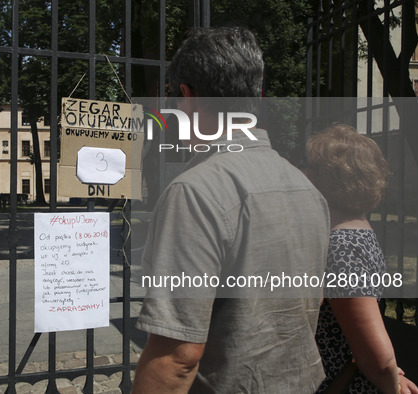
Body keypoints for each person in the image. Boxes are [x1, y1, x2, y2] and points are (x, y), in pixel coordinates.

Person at [132, 27, 330, 393]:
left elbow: (178, 356)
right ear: (258, 95)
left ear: (186, 98)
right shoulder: (308, 189)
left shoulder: (194, 191)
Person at [304, 124, 418, 394]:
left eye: (307, 165)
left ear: (327, 178)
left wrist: (393, 383)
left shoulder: (344, 249)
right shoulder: (355, 233)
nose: (301, 173)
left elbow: (377, 358)